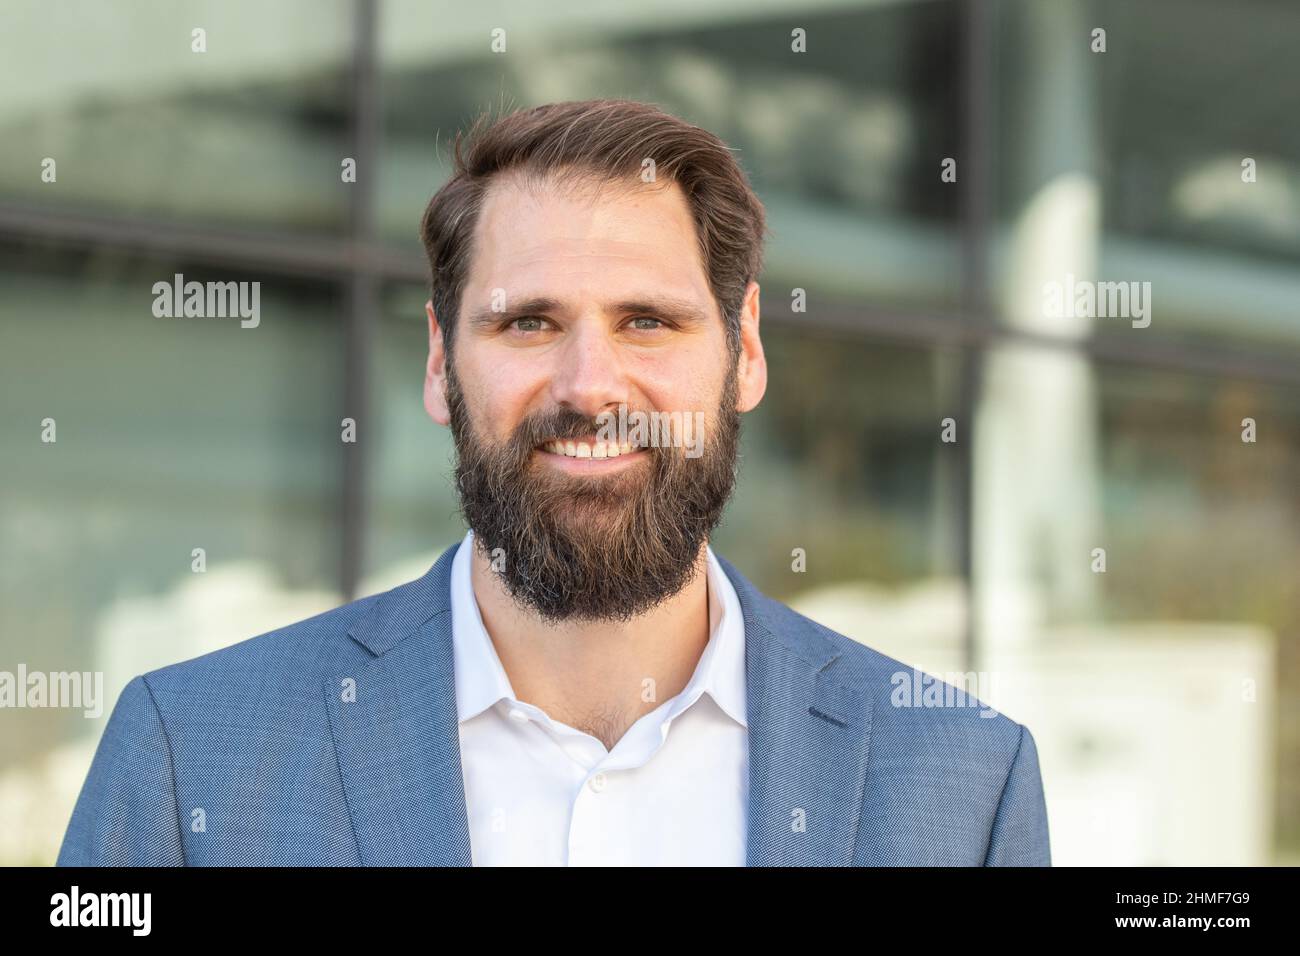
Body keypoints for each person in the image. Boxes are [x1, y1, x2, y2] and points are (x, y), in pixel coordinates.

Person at [58, 99, 1049, 866]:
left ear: (744, 351)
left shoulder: (960, 785)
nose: (588, 386)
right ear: (442, 362)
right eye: (527, 321)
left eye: (646, 320)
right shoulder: (190, 753)